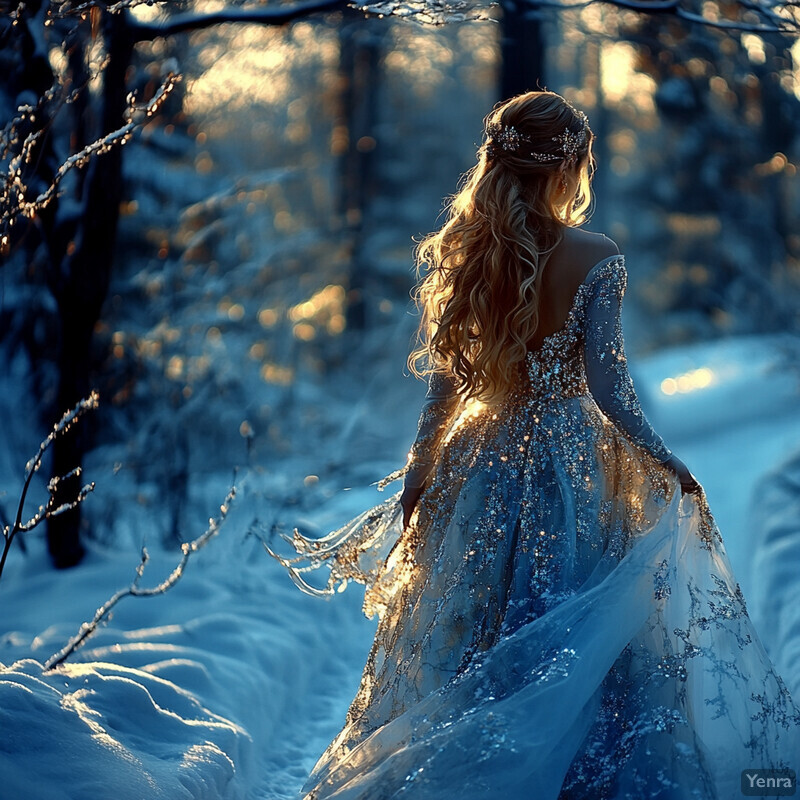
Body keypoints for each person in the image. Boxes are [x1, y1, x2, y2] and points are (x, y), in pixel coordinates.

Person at [269, 91, 799, 799]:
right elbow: (612, 391)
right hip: (575, 469)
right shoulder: (596, 257)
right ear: (568, 166)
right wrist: (663, 458)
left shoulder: (469, 255)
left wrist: (420, 476)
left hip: (481, 463)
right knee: (576, 625)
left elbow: (445, 391)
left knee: (481, 631)